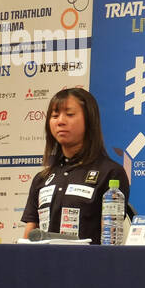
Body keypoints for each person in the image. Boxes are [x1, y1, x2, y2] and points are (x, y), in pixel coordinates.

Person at [21, 87, 130, 244]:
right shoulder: (42, 178)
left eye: (70, 114)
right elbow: (30, 234)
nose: (60, 121)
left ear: (89, 120)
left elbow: (110, 241)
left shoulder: (111, 173)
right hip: (42, 265)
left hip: (88, 265)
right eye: (55, 115)